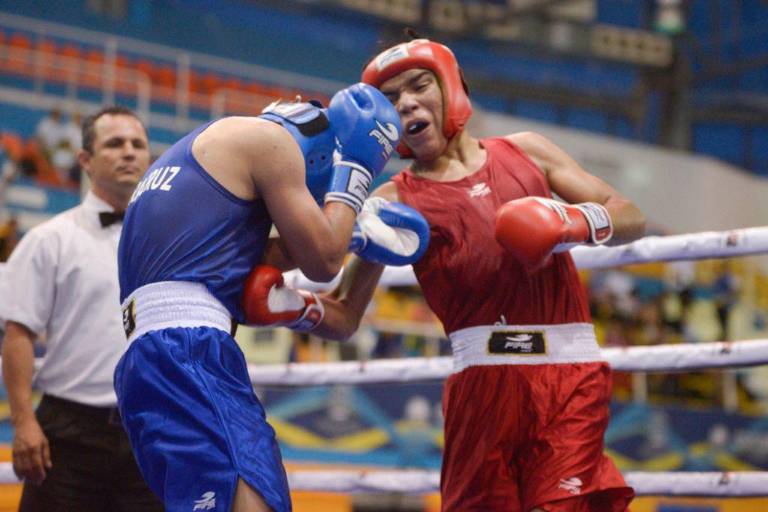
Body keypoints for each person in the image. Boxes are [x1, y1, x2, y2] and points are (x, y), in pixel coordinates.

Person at [244, 37, 647, 512]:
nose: (407, 103)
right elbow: (346, 315)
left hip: (568, 380)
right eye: (391, 99)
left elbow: (629, 215)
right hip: (480, 389)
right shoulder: (391, 202)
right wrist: (296, 307)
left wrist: (571, 221)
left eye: (419, 86)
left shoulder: (527, 152)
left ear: (453, 89)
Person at [115, 82, 428, 512]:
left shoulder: (204, 179)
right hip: (189, 351)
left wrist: (362, 243)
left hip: (151, 362)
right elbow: (322, 260)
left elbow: (342, 319)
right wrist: (356, 169)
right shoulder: (270, 142)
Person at [0, 106, 163, 511]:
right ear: (85, 160)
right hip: (69, 435)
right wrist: (23, 422)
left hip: (151, 428)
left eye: (137, 144)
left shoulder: (169, 242)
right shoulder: (48, 240)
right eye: (114, 143)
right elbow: (18, 335)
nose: (128, 152)